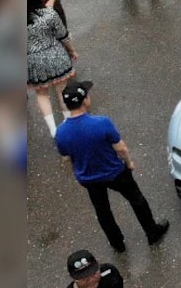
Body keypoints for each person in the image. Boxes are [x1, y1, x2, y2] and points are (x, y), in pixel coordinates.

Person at [55, 81, 170, 254]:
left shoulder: (61, 133)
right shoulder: (101, 123)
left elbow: (67, 157)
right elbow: (121, 148)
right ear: (85, 100)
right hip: (115, 172)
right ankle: (152, 232)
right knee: (136, 199)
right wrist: (129, 163)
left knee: (102, 210)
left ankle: (117, 243)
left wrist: (78, 172)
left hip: (89, 178)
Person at [27, 0, 76, 138]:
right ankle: (69, 125)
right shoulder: (49, 14)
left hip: (33, 62)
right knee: (62, 92)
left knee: (42, 94)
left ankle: (53, 130)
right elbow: (63, 35)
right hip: (56, 56)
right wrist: (72, 50)